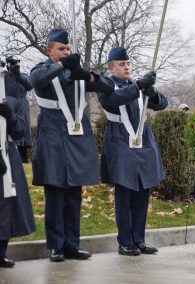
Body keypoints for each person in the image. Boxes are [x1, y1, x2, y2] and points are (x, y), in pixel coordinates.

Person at [29, 28, 115, 262]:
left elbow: (108, 86)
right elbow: (35, 80)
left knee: (74, 194)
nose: (66, 52)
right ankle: (56, 246)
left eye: (68, 49)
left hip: (77, 136)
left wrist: (86, 75)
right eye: (61, 49)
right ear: (50, 51)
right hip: (53, 133)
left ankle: (71, 245)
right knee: (55, 193)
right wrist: (60, 66)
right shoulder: (43, 68)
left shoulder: (75, 72)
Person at [97, 47, 168, 256]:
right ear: (111, 67)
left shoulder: (136, 85)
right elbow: (111, 100)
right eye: (121, 64)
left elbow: (162, 104)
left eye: (128, 63)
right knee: (125, 191)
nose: (126, 66)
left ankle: (139, 239)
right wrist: (138, 86)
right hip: (119, 139)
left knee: (142, 192)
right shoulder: (106, 84)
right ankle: (125, 241)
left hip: (142, 140)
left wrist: (152, 92)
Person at [0, 91, 35, 268]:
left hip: (8, 154)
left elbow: (20, 131)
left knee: (7, 206)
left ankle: (1, 253)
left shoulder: (11, 102)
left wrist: (10, 116)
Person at [4, 56, 33, 163]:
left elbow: (30, 86)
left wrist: (17, 74)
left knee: (23, 139)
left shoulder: (23, 76)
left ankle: (24, 161)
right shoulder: (3, 76)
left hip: (22, 109)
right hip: (8, 107)